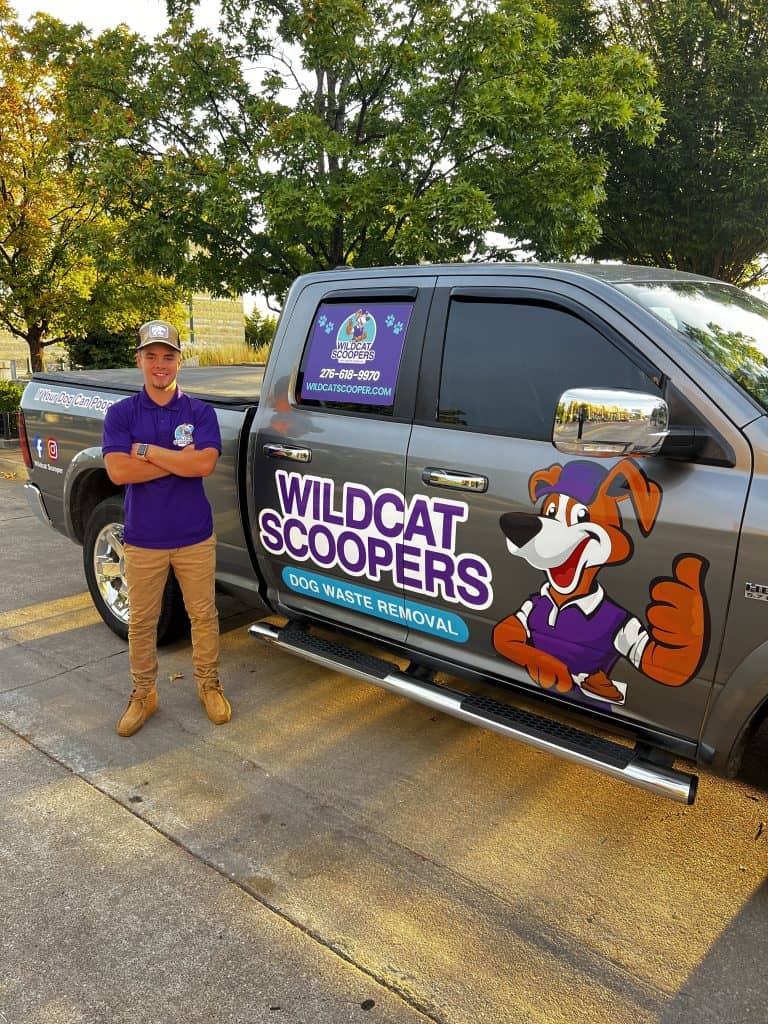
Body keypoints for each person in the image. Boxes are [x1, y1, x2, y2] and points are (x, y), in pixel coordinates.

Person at [102, 319, 231, 736]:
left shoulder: (199, 412)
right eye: (152, 356)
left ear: (179, 361)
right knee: (142, 622)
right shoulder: (122, 414)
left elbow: (204, 464)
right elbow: (119, 472)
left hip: (194, 534)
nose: (160, 364)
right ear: (139, 360)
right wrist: (178, 460)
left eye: (168, 356)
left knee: (204, 616)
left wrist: (148, 452)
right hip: (143, 538)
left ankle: (209, 685)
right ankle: (144, 694)